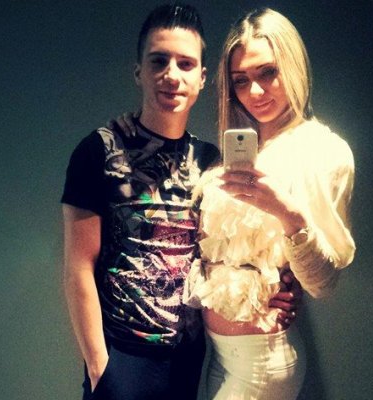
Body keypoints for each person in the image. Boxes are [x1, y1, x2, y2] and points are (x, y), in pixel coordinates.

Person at [61, 4, 298, 400]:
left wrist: (276, 290)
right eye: (159, 61)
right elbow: (78, 267)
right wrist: (100, 367)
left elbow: (226, 256)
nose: (172, 75)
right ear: (139, 71)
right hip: (122, 356)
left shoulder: (211, 162)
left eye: (185, 64)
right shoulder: (98, 151)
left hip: (188, 358)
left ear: (202, 78)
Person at [183, 8, 356, 400]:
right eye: (241, 80)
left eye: (268, 73)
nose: (255, 92)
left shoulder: (324, 152)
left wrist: (287, 213)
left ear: (293, 66)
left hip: (261, 362)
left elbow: (323, 283)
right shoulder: (247, 147)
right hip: (219, 354)